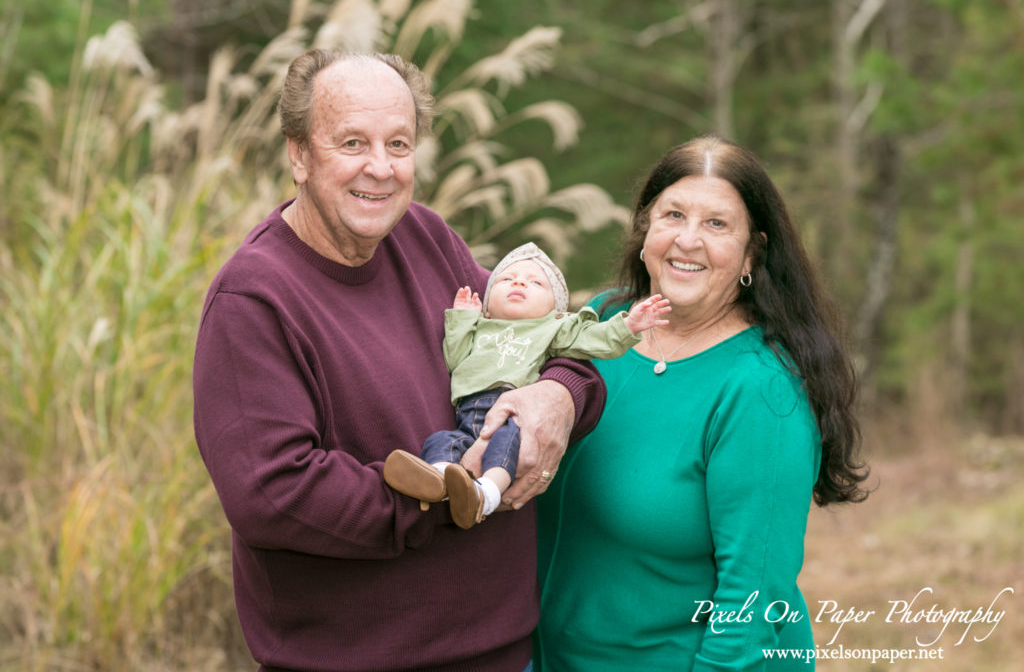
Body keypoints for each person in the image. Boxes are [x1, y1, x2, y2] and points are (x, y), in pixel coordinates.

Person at [192, 49, 606, 672]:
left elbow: (549, 337)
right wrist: (445, 501)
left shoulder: (426, 237)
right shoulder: (254, 299)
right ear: (299, 154)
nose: (380, 169)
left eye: (399, 143)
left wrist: (561, 395)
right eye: (353, 142)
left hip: (501, 653)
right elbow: (273, 494)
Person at [534, 135, 869, 671]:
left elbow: (754, 600)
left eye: (717, 224)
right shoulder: (601, 324)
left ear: (751, 253)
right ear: (645, 230)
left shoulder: (760, 388)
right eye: (673, 215)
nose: (688, 240)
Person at [383, 242, 670, 529]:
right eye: (506, 279)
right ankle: (438, 479)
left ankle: (486, 494)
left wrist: (629, 326)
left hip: (514, 416)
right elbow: (455, 360)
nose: (519, 281)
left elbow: (594, 339)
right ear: (488, 305)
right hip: (467, 415)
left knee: (504, 446)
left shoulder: (553, 329)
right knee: (443, 441)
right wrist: (462, 319)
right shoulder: (481, 328)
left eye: (536, 282)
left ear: (555, 309)